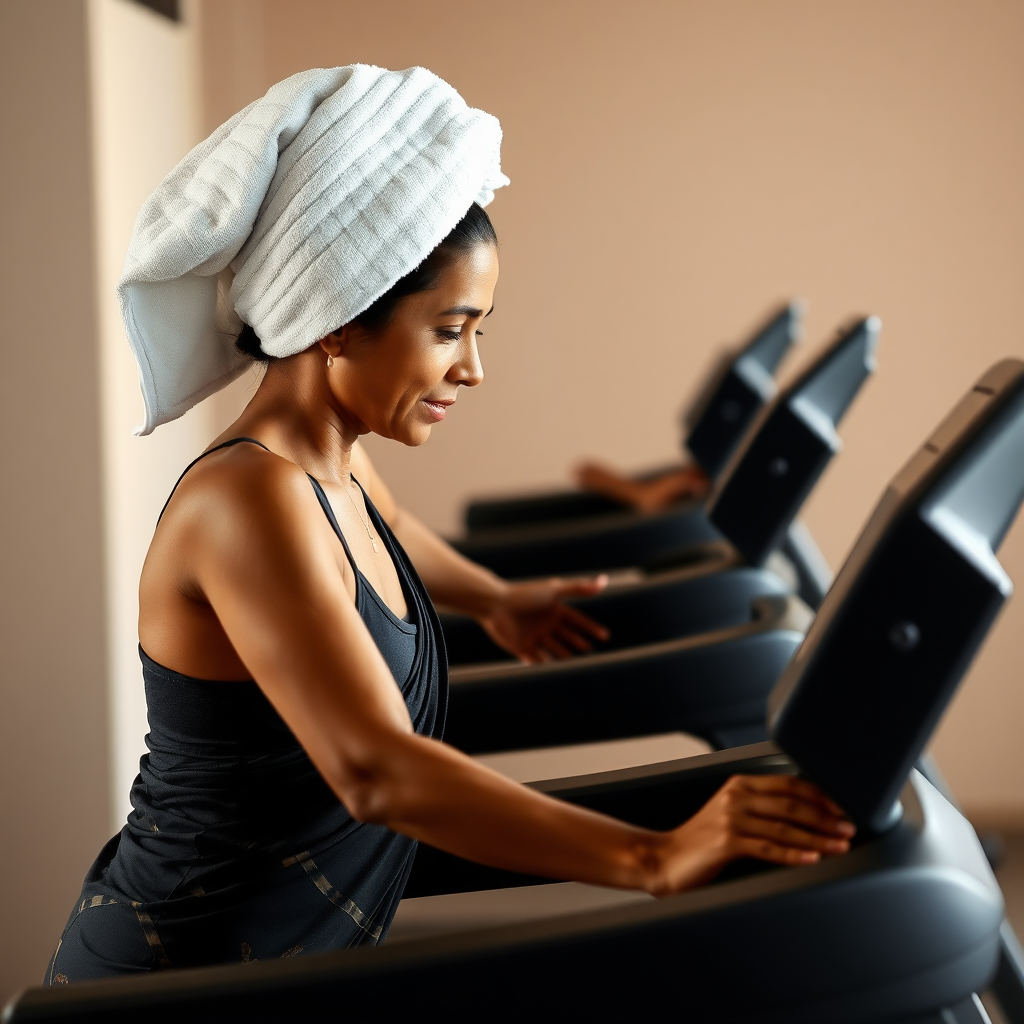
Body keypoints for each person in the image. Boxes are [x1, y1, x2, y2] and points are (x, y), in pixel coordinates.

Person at [47, 65, 853, 984]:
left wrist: (498, 599)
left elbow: (391, 532)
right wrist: (652, 859)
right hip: (179, 982)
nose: (472, 368)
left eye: (480, 329)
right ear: (336, 323)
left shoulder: (330, 464)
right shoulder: (248, 501)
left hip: (283, 963)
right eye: (449, 329)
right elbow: (377, 773)